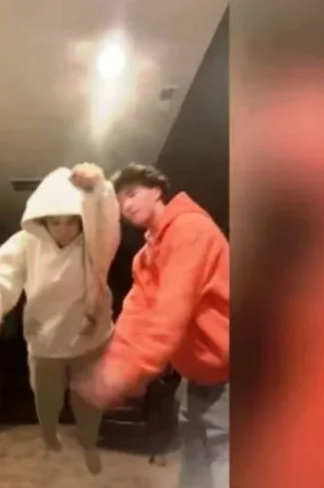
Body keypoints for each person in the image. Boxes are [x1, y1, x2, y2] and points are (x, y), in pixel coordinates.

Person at [73, 163, 230, 488]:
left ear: (158, 191)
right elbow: (135, 318)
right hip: (199, 378)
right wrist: (111, 369)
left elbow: (168, 316)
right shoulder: (145, 257)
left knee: (226, 467)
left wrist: (119, 377)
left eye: (133, 194)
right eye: (121, 201)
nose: (127, 206)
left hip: (233, 376)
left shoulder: (190, 230)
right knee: (195, 471)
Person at [0, 162, 120, 475]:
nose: (63, 230)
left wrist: (100, 187)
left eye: (71, 222)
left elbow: (107, 222)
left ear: (81, 219)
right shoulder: (26, 243)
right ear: (42, 221)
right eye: (55, 223)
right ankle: (49, 433)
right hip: (45, 339)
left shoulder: (94, 242)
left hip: (88, 335)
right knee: (46, 398)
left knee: (89, 401)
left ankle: (89, 441)